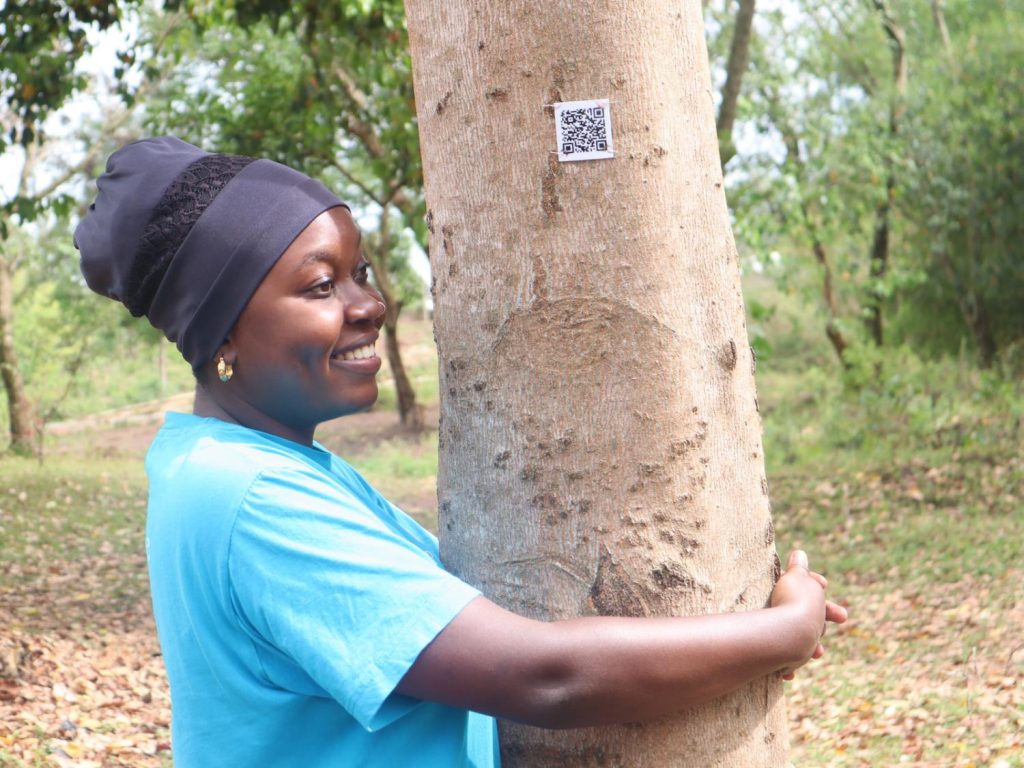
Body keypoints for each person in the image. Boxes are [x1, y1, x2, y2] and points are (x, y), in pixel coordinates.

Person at [75, 137, 847, 767]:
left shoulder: (238, 464)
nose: (370, 305)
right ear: (224, 337)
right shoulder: (246, 497)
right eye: (320, 287)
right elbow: (545, 677)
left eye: (363, 274)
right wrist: (783, 631)